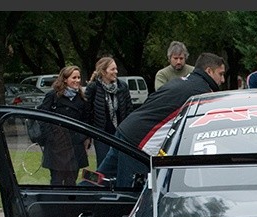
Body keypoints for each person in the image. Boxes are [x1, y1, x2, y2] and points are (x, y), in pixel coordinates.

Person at [96, 52, 227, 187]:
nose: (222, 80)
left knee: (98, 180)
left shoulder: (183, 81)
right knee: (130, 196)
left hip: (126, 130)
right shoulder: (202, 93)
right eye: (221, 74)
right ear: (209, 71)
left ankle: (77, 204)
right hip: (139, 143)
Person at [38, 65, 91, 186]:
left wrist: (82, 138)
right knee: (56, 180)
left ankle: (70, 204)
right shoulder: (53, 96)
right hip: (57, 145)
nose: (77, 80)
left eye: (79, 77)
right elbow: (43, 118)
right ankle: (55, 204)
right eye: (74, 77)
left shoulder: (82, 99)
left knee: (71, 180)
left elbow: (86, 120)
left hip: (75, 145)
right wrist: (51, 137)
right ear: (65, 79)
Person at [85, 56, 133, 167]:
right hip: (101, 134)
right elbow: (87, 112)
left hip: (120, 133)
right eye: (112, 69)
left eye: (116, 68)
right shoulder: (93, 87)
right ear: (103, 71)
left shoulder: (122, 87)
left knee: (121, 165)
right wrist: (89, 135)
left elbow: (129, 110)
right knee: (103, 165)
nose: (116, 71)